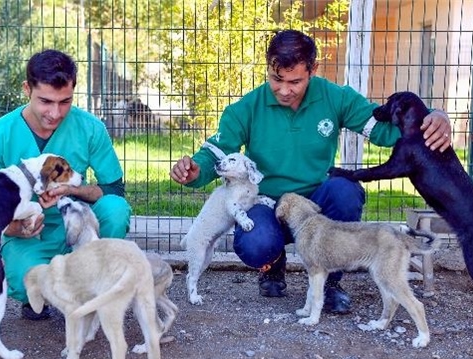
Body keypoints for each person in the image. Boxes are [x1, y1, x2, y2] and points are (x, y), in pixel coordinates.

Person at [169, 30, 452, 314]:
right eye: (276, 79)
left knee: (346, 191)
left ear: (313, 70)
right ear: (268, 66)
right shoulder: (246, 108)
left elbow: (382, 130)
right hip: (267, 204)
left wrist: (433, 116)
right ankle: (273, 264)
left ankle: (331, 283)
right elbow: (215, 153)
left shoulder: (336, 97)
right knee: (255, 243)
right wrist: (194, 171)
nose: (283, 90)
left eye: (295, 82)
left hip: (315, 204)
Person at [0, 49, 131, 320]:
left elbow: (115, 189)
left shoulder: (91, 128)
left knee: (115, 209)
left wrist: (73, 190)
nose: (55, 113)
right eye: (46, 101)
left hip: (78, 222)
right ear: (27, 89)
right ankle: (42, 293)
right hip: (29, 235)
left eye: (65, 101)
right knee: (29, 284)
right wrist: (16, 228)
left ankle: (96, 281)